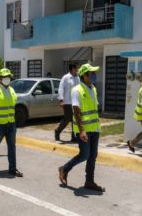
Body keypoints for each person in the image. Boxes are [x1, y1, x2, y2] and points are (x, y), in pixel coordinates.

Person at [58, 63, 105, 192]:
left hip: (95, 128)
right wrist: (82, 130)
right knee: (84, 155)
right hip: (84, 130)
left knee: (92, 156)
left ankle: (89, 181)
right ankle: (64, 168)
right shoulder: (77, 90)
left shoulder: (93, 88)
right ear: (84, 76)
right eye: (92, 73)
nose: (94, 75)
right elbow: (76, 110)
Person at [55, 64, 80, 142]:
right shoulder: (66, 77)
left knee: (75, 120)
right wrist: (61, 100)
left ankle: (74, 136)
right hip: (67, 102)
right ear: (72, 68)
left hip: (75, 102)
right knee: (67, 119)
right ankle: (57, 131)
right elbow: (61, 89)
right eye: (76, 68)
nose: (77, 69)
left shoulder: (78, 78)